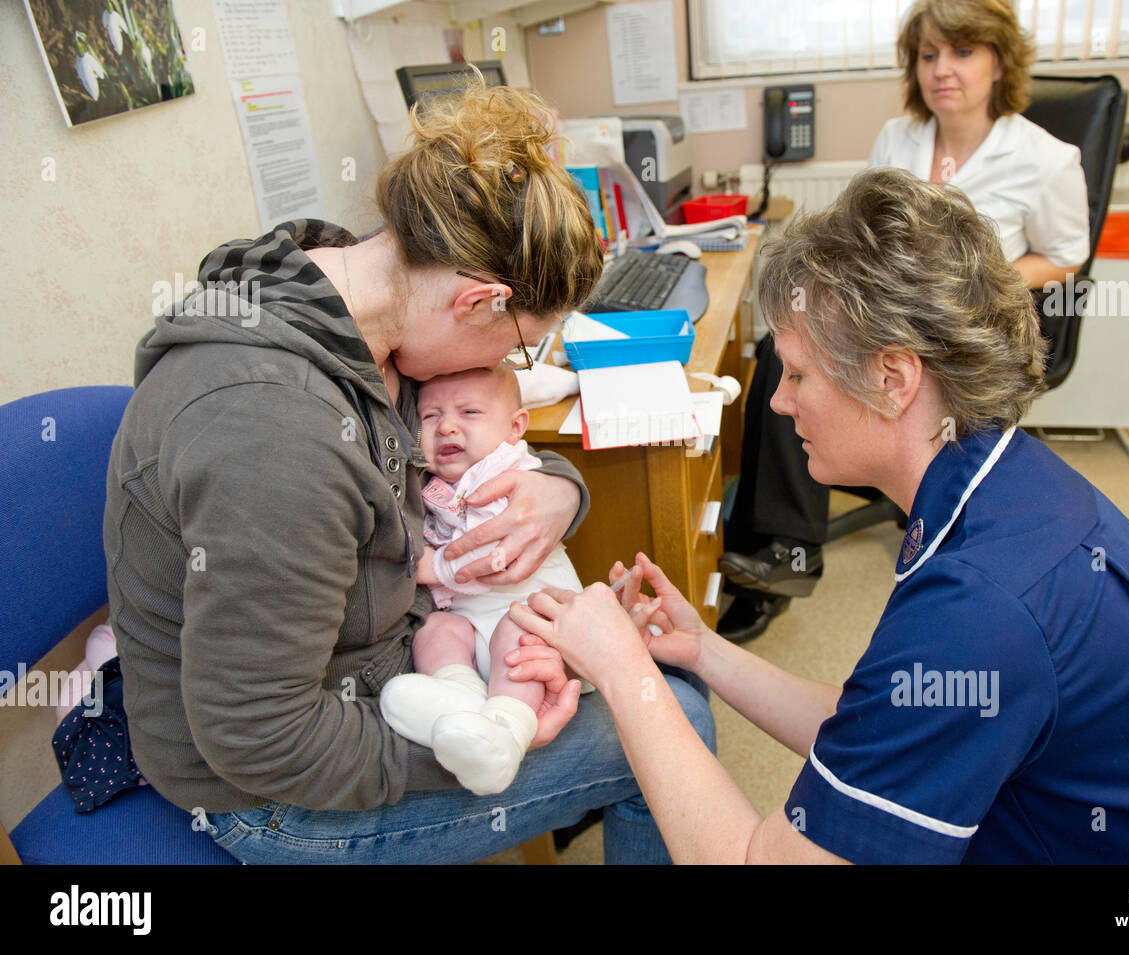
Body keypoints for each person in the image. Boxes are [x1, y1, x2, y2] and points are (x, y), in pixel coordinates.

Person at [509, 167, 1129, 864]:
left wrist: (623, 668)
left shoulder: (980, 606)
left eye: (798, 372)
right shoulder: (999, 483)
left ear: (894, 377)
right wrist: (702, 651)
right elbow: (880, 724)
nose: (777, 399)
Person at [104, 80, 715, 864]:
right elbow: (257, 737)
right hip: (275, 789)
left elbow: (464, 442)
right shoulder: (274, 437)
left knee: (634, 672)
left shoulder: (354, 293)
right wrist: (485, 738)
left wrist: (559, 492)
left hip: (400, 652)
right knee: (672, 722)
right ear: (476, 302)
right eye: (517, 347)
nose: (504, 369)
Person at [719, 0, 1090, 641]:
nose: (943, 69)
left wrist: (978, 278)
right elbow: (865, 235)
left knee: (835, 369)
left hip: (962, 325)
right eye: (928, 55)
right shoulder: (898, 140)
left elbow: (1064, 258)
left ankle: (788, 539)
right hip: (889, 310)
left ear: (1000, 61)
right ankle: (780, 551)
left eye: (963, 51)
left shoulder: (1047, 158)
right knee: (787, 351)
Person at [380, 364, 598, 796]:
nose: (447, 427)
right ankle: (458, 694)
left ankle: (506, 729)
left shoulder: (507, 472)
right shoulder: (436, 482)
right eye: (430, 416)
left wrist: (435, 568)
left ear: (515, 427)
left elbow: (494, 554)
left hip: (540, 637)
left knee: (520, 628)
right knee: (438, 629)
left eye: (469, 413)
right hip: (474, 627)